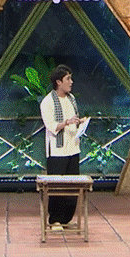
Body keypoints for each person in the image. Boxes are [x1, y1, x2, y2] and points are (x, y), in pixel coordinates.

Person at [39, 65, 84, 227]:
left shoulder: (71, 99)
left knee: (72, 188)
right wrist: (66, 122)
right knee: (57, 188)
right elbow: (51, 126)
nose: (71, 82)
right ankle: (55, 220)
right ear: (58, 82)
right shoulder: (48, 102)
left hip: (73, 148)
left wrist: (79, 122)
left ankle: (66, 219)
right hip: (57, 151)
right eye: (68, 79)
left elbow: (74, 119)